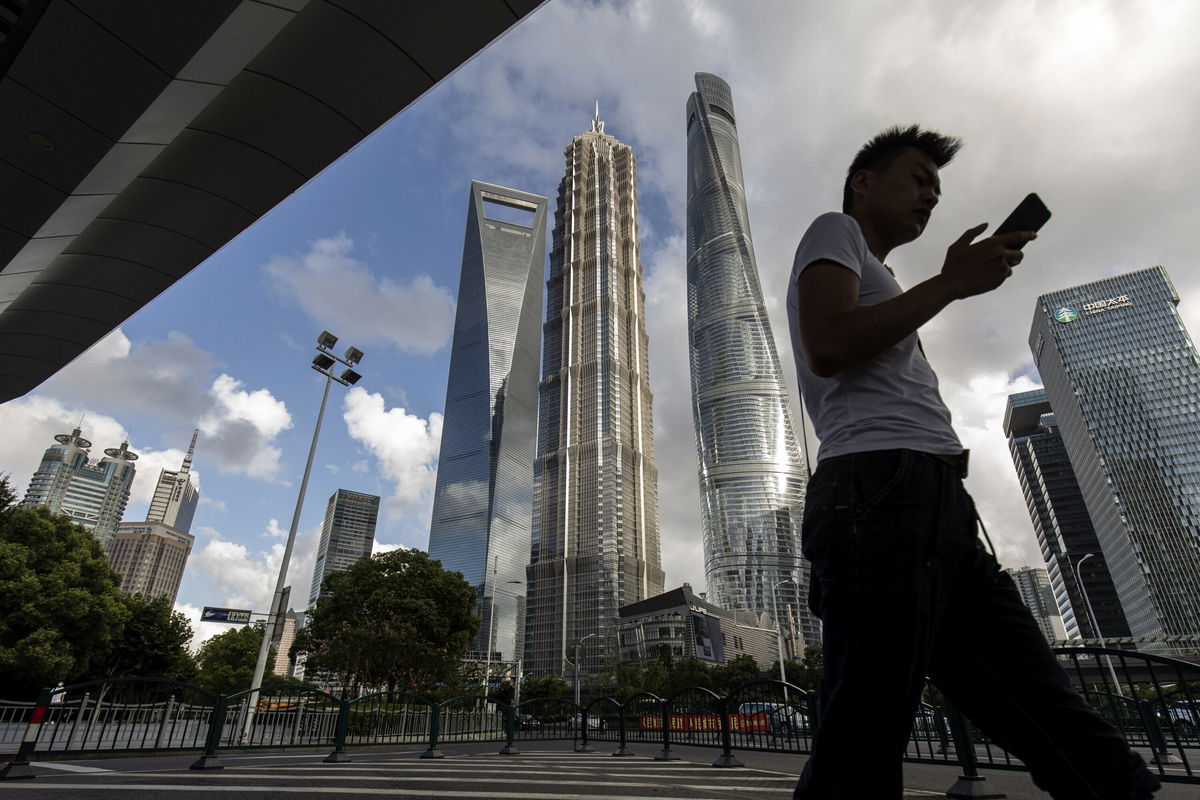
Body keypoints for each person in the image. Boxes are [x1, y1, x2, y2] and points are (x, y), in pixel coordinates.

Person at [786, 125, 1159, 799]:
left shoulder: (888, 278)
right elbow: (828, 345)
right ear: (865, 182)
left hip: (934, 501)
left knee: (1041, 703)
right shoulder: (833, 230)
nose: (931, 195)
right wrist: (951, 283)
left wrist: (942, 286)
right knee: (865, 733)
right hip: (879, 490)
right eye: (919, 177)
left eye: (937, 186)